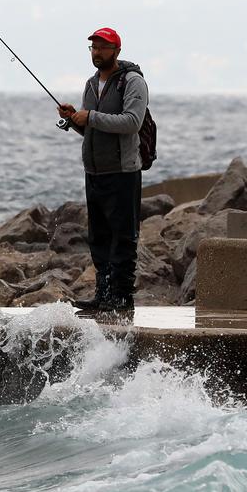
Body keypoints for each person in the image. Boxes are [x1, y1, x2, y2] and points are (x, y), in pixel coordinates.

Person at [56, 27, 149, 320]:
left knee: (123, 238)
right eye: (93, 48)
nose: (97, 52)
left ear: (116, 51)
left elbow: (132, 122)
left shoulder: (132, 82)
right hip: (94, 171)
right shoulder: (91, 83)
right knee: (99, 238)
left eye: (102, 47)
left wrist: (91, 116)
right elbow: (92, 127)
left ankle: (121, 298)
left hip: (123, 172)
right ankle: (103, 295)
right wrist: (74, 119)